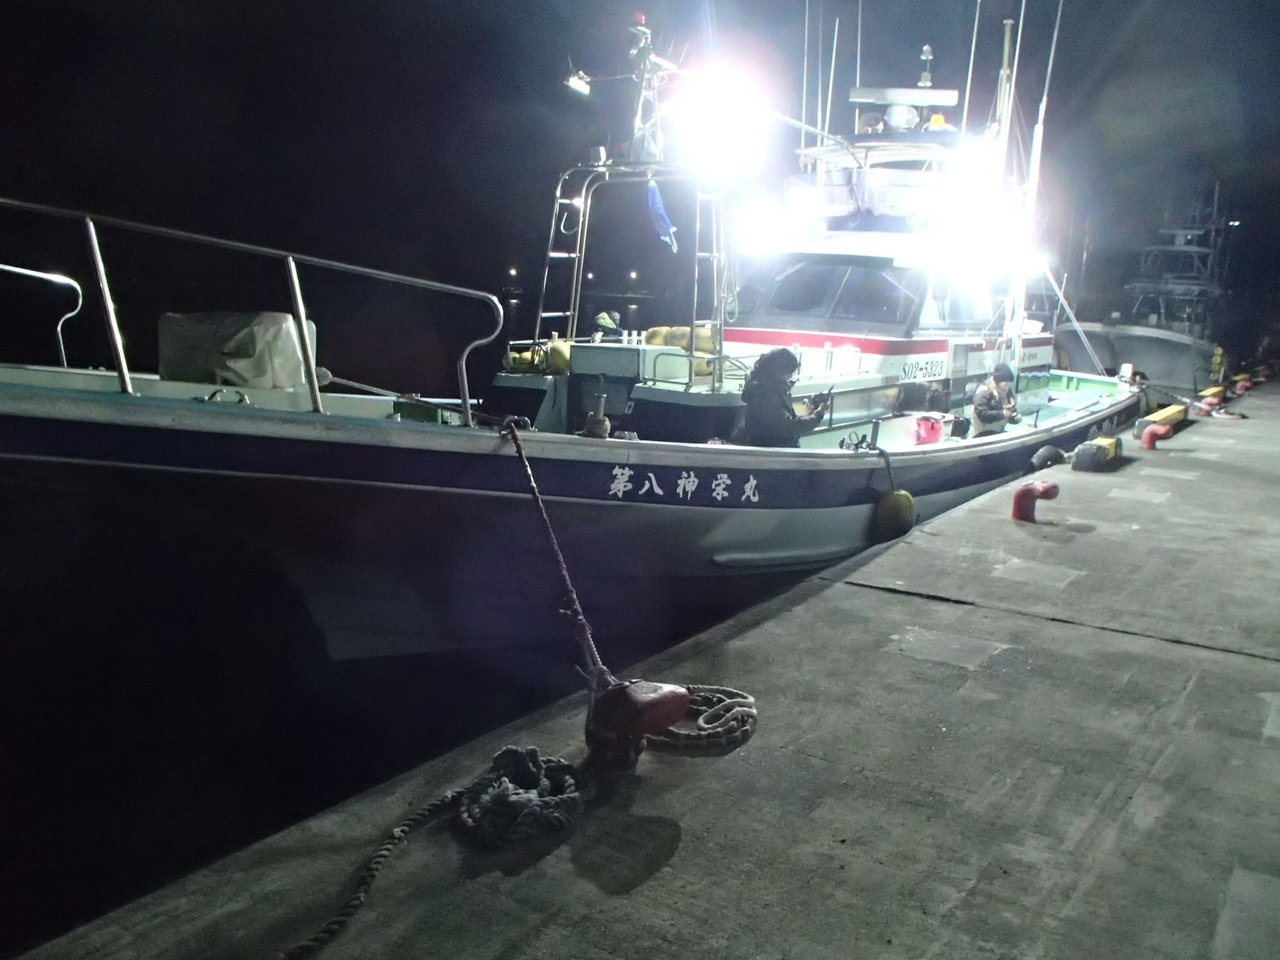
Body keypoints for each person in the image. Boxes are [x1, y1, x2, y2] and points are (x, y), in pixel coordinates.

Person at [735, 348, 829, 447]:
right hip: (773, 452)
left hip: (771, 450)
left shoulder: (766, 390)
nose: (791, 376)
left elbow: (786, 421)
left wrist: (812, 415)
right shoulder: (764, 394)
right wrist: (817, 415)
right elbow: (789, 427)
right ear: (778, 371)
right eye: (789, 372)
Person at [972, 362, 1021, 436]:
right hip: (982, 434)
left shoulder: (1007, 392)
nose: (1007, 386)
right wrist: (1002, 414)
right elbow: (982, 415)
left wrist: (1015, 417)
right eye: (1005, 383)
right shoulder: (984, 392)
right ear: (997, 381)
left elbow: (1010, 411)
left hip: (998, 432)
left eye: (1009, 382)